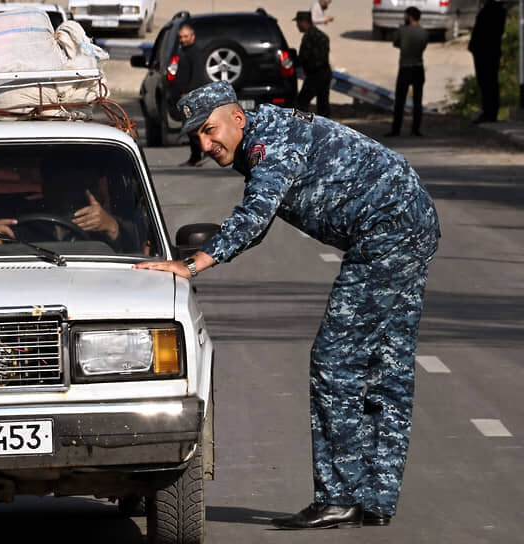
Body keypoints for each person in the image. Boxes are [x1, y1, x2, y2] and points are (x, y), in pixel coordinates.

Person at [135, 81, 440, 529]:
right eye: (196, 136)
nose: (205, 144)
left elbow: (256, 216)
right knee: (387, 365)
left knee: (335, 360)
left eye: (210, 130)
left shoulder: (269, 143)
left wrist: (193, 263)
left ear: (237, 118)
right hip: (409, 222)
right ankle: (374, 497)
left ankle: (340, 496)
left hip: (388, 232)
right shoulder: (262, 133)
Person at [387, 7, 428, 137]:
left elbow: (395, 42)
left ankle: (396, 129)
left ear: (409, 17)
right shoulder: (424, 32)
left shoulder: (402, 30)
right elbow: (423, 46)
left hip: (405, 67)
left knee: (400, 100)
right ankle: (416, 129)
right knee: (417, 100)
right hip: (418, 67)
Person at [171, 23, 208, 167]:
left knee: (194, 127)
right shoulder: (184, 51)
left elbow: (197, 76)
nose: (183, 40)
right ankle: (195, 156)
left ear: (193, 37)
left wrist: (189, 94)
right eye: (181, 37)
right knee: (190, 127)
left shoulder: (195, 53)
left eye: (186, 37)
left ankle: (201, 153)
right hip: (184, 96)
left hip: (192, 97)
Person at [468, 0, 506, 124]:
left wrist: (476, 47)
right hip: (487, 51)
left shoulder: (490, 11)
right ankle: (489, 111)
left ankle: (489, 112)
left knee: (487, 82)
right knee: (488, 82)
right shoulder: (494, 10)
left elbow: (484, 32)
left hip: (486, 52)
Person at [295, 11, 332, 117]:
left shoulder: (309, 37)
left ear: (304, 22)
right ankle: (325, 125)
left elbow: (304, 58)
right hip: (325, 73)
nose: (297, 26)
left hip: (315, 75)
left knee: (301, 104)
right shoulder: (322, 35)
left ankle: (302, 124)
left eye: (298, 23)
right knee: (323, 105)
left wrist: (292, 62)